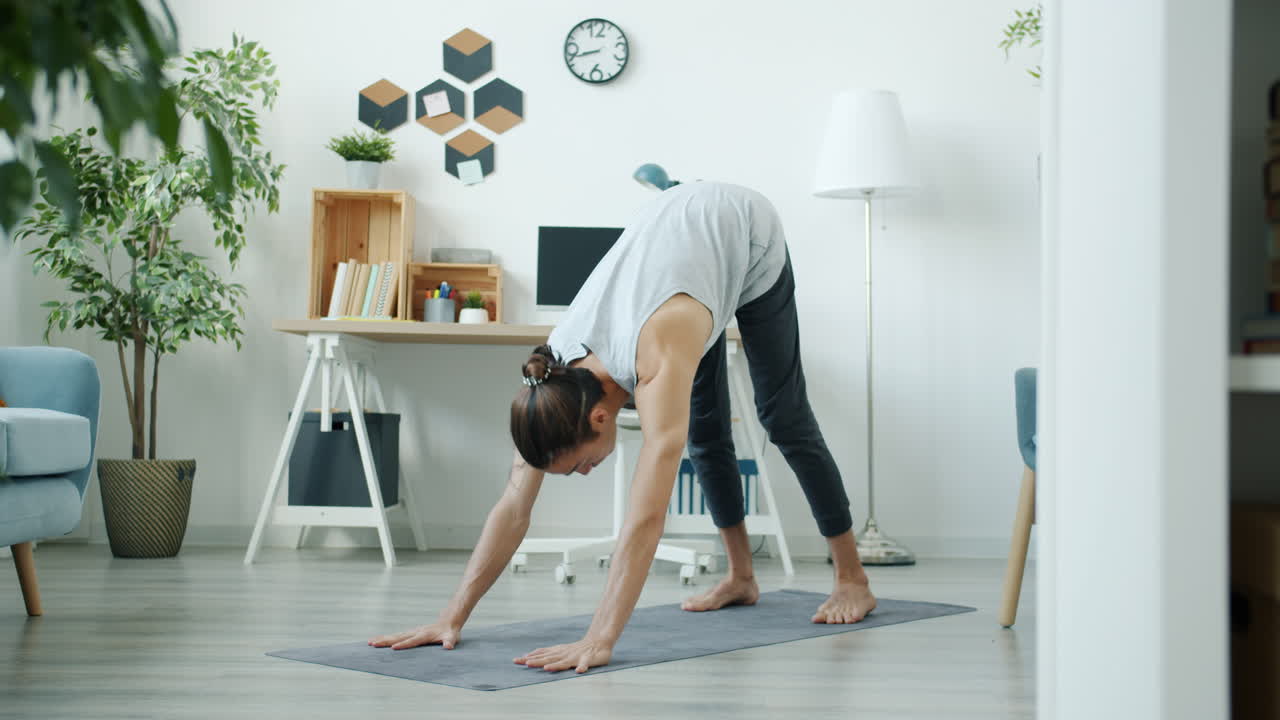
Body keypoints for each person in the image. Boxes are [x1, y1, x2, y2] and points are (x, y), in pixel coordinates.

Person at [369, 182, 876, 673]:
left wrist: (601, 636)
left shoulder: (660, 347)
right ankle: (741, 576)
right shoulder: (553, 376)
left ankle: (852, 577)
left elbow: (645, 517)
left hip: (744, 232)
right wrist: (450, 617)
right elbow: (514, 507)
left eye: (580, 464)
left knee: (782, 418)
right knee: (705, 433)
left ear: (599, 416)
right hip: (686, 263)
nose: (585, 472)